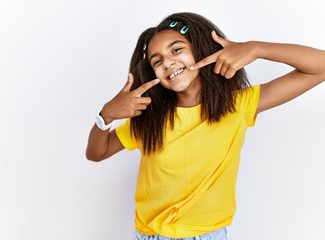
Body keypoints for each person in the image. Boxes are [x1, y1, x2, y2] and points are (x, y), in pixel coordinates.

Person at [86, 12, 325, 240]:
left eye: (177, 50)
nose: (168, 63)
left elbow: (320, 66)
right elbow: (97, 153)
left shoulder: (238, 105)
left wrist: (257, 48)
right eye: (157, 61)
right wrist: (105, 115)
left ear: (200, 50)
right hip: (147, 234)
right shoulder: (150, 118)